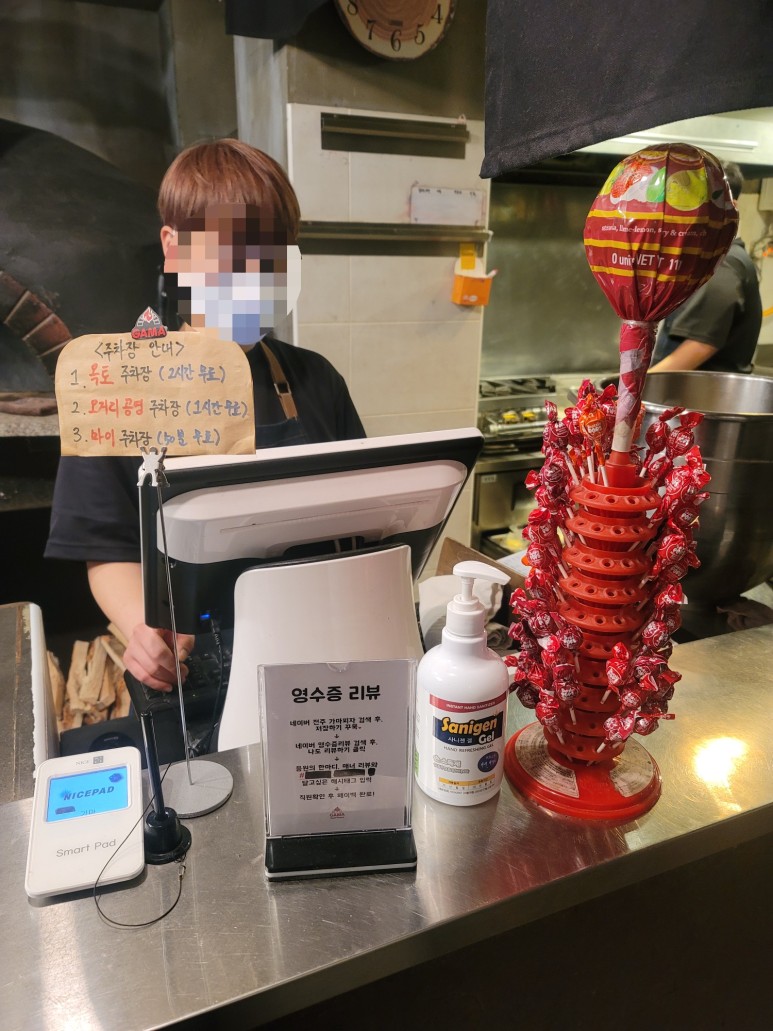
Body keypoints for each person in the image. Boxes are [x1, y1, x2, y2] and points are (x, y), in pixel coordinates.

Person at [45, 138, 365, 692]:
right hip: (194, 671)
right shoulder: (114, 385)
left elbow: (364, 518)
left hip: (319, 656)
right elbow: (106, 549)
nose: (254, 278)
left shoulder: (316, 379)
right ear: (173, 247)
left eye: (273, 256)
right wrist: (144, 631)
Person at [649, 161, 762, 374]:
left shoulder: (724, 263)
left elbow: (700, 345)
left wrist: (634, 389)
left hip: (699, 400)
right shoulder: (709, 259)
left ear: (731, 208)